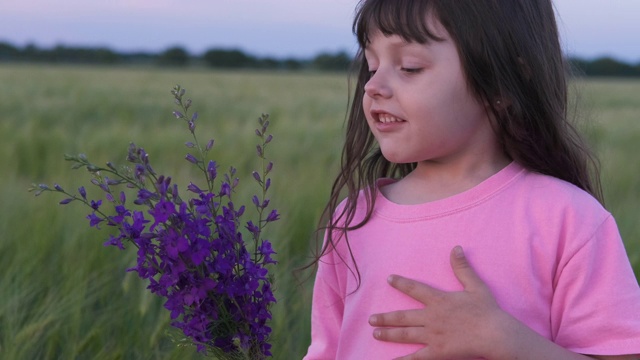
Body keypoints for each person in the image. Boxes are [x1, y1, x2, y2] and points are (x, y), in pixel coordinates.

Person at [303, 0, 640, 359]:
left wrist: (503, 339)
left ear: (499, 84)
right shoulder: (352, 220)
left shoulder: (567, 219)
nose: (373, 86)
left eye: (409, 67)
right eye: (371, 66)